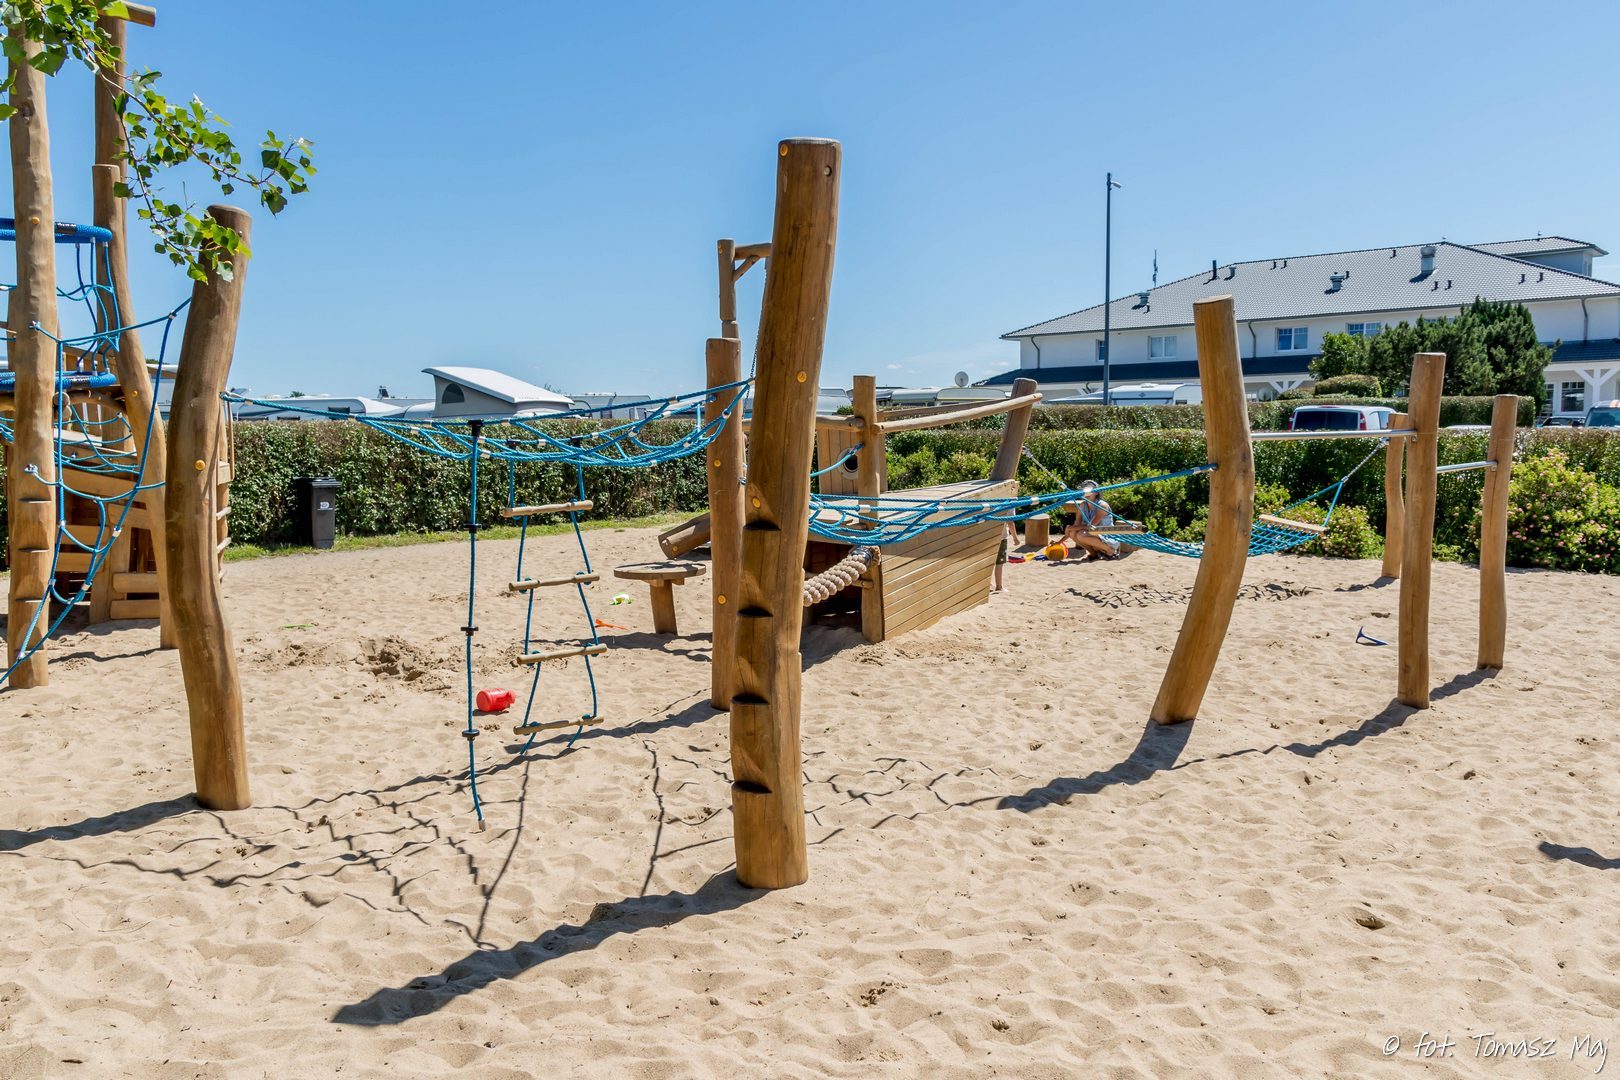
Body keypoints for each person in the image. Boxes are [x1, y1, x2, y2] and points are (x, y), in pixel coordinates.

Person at [1064, 480, 1120, 561]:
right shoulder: (1083, 505)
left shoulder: (1102, 506)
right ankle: (1093, 554)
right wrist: (1059, 542)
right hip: (1093, 534)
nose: (1087, 494)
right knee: (1073, 533)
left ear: (1096, 493)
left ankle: (1110, 551)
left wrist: (1070, 528)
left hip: (1106, 535)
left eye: (1089, 491)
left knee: (1081, 534)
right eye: (1085, 491)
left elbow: (1090, 526)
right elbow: (1076, 525)